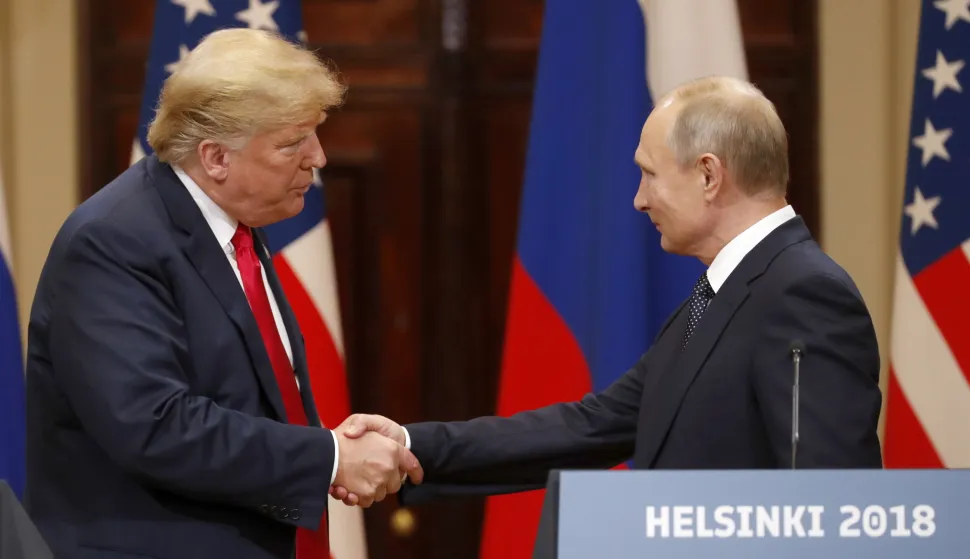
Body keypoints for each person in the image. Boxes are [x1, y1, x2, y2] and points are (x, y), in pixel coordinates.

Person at [330, 76, 883, 506]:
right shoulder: (725, 290)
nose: (640, 200)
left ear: (709, 175)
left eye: (650, 174)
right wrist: (410, 444)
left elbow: (832, 502)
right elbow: (591, 426)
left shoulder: (802, 292)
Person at [23, 28, 421, 559]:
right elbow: (156, 426)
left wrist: (324, 447)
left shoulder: (235, 222)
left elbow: (243, 398)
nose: (319, 158)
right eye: (291, 143)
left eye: (315, 134)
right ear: (214, 158)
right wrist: (326, 457)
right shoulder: (112, 240)